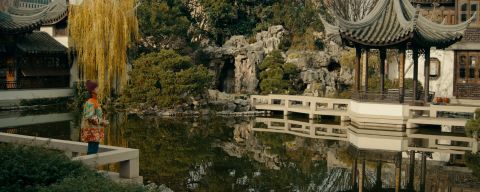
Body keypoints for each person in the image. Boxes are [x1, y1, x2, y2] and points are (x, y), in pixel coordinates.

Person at [81, 80, 108, 154]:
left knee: (93, 150)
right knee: (92, 152)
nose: (98, 89)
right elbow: (90, 117)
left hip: (95, 132)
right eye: (97, 88)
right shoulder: (90, 102)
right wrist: (102, 122)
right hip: (92, 132)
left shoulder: (95, 101)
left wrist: (103, 120)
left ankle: (90, 165)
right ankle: (89, 165)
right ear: (92, 90)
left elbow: (96, 115)